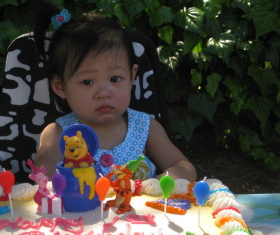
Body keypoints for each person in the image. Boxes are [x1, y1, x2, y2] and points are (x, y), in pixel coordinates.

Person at [30, 1, 197, 182]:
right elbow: (43, 175)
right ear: (60, 86)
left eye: (115, 79)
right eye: (87, 82)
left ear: (132, 76)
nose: (103, 93)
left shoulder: (145, 128)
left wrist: (156, 184)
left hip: (141, 209)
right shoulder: (60, 134)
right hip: (81, 210)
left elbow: (184, 167)